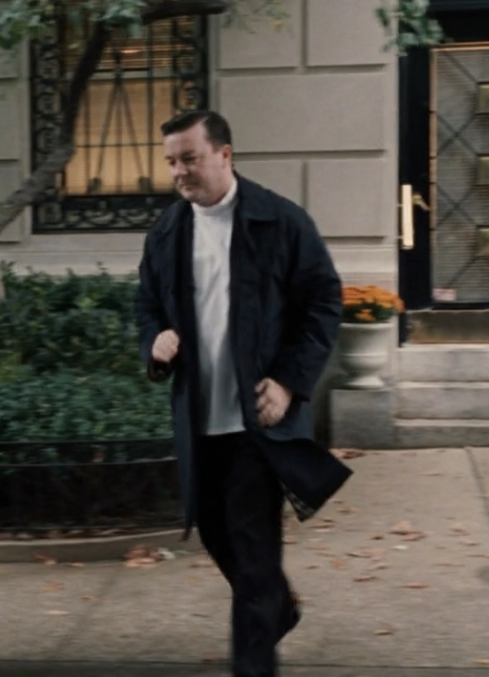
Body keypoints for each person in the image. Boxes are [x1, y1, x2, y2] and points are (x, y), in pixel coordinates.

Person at [134, 110, 354, 677]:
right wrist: (155, 342)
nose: (179, 172)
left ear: (224, 154)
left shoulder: (279, 221)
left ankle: (255, 657)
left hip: (257, 420)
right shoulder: (166, 232)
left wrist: (289, 382)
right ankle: (276, 607)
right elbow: (147, 305)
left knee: (254, 556)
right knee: (215, 532)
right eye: (171, 162)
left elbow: (323, 302)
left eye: (189, 158)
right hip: (200, 419)